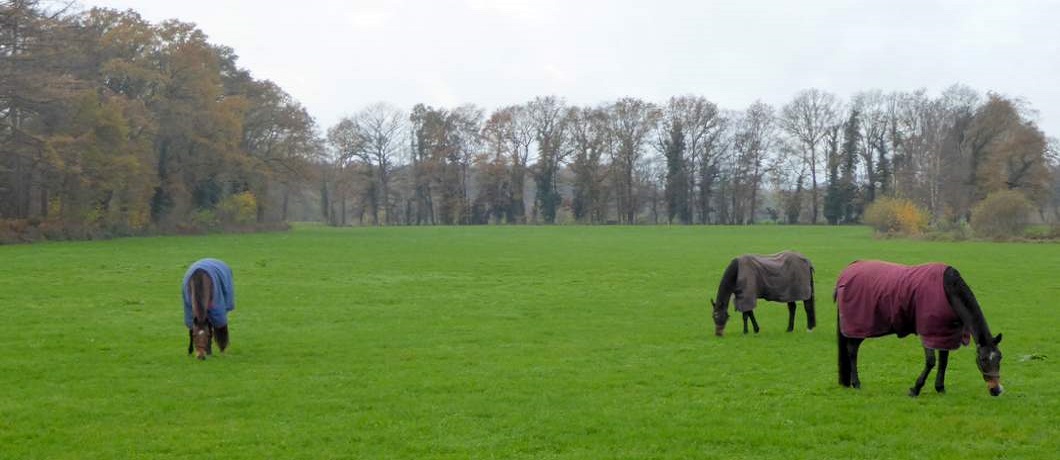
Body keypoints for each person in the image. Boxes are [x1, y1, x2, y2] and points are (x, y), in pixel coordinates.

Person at [182, 258, 235, 353]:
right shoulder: (189, 294)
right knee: (198, 316)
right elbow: (190, 315)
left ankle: (222, 344)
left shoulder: (215, 294)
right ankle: (202, 345)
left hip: (217, 273)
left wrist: (219, 322)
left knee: (217, 315)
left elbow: (219, 314)